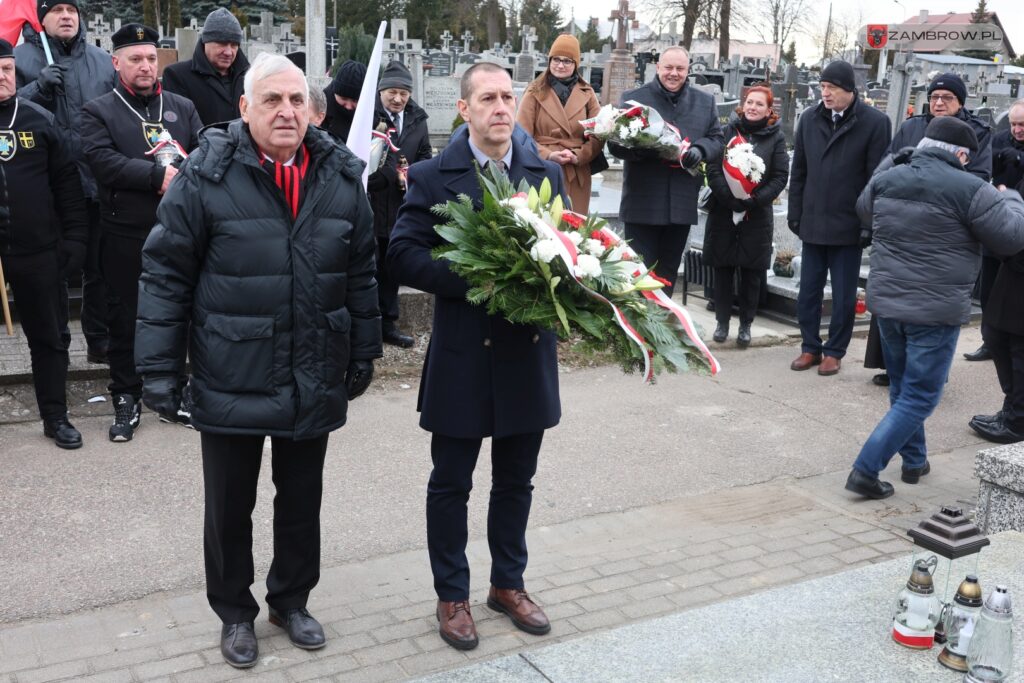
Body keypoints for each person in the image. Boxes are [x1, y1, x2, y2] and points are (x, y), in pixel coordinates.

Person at [135, 52, 382, 668]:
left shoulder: (339, 176)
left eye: (297, 100)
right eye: (271, 100)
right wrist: (160, 371)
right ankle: (235, 613)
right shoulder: (206, 175)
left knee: (302, 497)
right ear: (244, 107)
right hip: (231, 368)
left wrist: (364, 350)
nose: (286, 111)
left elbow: (359, 271)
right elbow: (165, 274)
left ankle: (291, 600)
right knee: (229, 504)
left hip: (312, 364)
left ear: (312, 109)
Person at [388, 62, 565, 652]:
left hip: (526, 354)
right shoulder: (437, 175)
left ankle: (507, 585)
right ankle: (452, 594)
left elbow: (568, 245)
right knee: (451, 483)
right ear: (463, 109)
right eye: (487, 98)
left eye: (507, 96)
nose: (500, 107)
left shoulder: (542, 172)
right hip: (465, 354)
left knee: (517, 481)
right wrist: (479, 277)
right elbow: (403, 253)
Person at [845, 116, 1024, 499]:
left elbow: (863, 208)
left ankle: (915, 460)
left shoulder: (890, 177)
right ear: (961, 154)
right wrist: (1011, 197)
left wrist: (892, 161)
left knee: (904, 387)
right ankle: (865, 469)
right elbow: (1011, 239)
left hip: (889, 306)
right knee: (921, 396)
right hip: (935, 310)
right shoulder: (974, 189)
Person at [80, 24, 201, 443]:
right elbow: (102, 161)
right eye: (136, 58)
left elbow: (202, 154)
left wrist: (185, 174)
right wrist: (157, 176)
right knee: (125, 318)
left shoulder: (182, 107)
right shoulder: (99, 111)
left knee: (180, 314)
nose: (146, 65)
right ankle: (127, 396)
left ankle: (176, 391)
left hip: (179, 232)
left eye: (151, 58)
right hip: (125, 232)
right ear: (117, 63)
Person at [15, 0, 117, 365]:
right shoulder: (20, 59)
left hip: (95, 180)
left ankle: (99, 340)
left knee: (99, 267)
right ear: (41, 19)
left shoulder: (102, 61)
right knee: (53, 269)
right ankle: (56, 339)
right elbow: (6, 112)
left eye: (71, 9)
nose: (66, 16)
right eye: (56, 10)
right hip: (47, 186)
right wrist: (37, 89)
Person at [0, 38, 88, 448]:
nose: (1, 78)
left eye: (6, 69)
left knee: (49, 340)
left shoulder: (37, 118)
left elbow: (67, 184)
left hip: (38, 252)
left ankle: (55, 416)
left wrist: (73, 239)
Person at [788, 60, 891, 376]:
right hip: (814, 220)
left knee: (844, 295)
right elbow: (800, 170)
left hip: (848, 224)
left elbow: (877, 178)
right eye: (822, 87)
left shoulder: (875, 122)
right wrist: (795, 213)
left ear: (850, 90)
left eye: (831, 88)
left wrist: (867, 223)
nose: (825, 93)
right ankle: (809, 347)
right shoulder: (809, 119)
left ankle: (834, 350)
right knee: (809, 290)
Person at [888, 72, 995, 363]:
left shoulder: (978, 132)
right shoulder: (912, 128)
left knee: (933, 302)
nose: (938, 102)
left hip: (948, 227)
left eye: (946, 97)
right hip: (907, 222)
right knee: (900, 297)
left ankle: (929, 370)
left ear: (960, 102)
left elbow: (980, 175)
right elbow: (889, 165)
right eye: (934, 97)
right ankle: (893, 365)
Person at [609, 46, 723, 297]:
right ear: (658, 67)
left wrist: (700, 151)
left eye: (680, 69)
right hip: (643, 203)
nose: (674, 73)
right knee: (639, 274)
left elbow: (717, 139)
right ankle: (639, 332)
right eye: (668, 67)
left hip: (680, 204)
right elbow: (614, 144)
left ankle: (663, 330)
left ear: (688, 70)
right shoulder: (633, 98)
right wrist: (643, 149)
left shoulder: (704, 102)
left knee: (667, 275)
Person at [703, 85, 789, 347]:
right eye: (750, 102)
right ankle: (721, 322)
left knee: (752, 273)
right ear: (743, 105)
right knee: (723, 268)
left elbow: (779, 176)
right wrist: (730, 199)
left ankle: (746, 325)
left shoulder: (776, 137)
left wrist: (753, 200)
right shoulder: (728, 130)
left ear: (769, 109)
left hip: (757, 215)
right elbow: (714, 167)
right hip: (724, 210)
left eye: (759, 104)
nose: (753, 107)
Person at [370, 61, 432, 347]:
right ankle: (367, 326)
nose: (397, 99)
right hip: (372, 202)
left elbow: (424, 155)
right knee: (369, 266)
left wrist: (410, 176)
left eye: (403, 93)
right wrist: (385, 174)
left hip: (399, 204)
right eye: (391, 92)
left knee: (391, 266)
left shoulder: (417, 119)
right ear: (381, 91)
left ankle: (388, 324)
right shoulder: (371, 116)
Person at [516, 33, 603, 213]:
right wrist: (548, 155)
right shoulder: (534, 92)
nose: (560, 65)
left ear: (575, 64)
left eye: (567, 61)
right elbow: (521, 135)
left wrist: (579, 155)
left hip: (577, 171)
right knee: (544, 229)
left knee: (574, 230)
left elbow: (599, 134)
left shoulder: (588, 93)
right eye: (556, 59)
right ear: (550, 60)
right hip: (542, 169)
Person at [161, 8, 249, 126]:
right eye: (222, 43)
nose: (229, 52)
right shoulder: (178, 76)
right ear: (205, 42)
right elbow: (180, 127)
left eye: (234, 45)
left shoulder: (249, 76)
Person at [972, 243, 1024, 444]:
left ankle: (1018, 421)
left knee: (1019, 346)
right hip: (1011, 263)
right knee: (996, 336)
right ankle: (1012, 410)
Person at [321, 59, 365, 140]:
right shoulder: (318, 111)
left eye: (355, 101)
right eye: (343, 98)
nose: (348, 106)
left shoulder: (371, 115)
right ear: (335, 92)